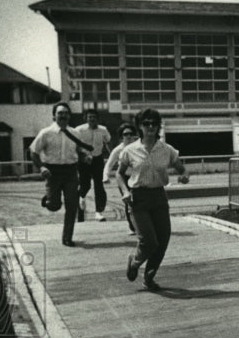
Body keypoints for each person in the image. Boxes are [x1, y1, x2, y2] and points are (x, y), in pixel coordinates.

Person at [116, 108, 187, 291]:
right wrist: (124, 191)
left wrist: (184, 175)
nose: (150, 127)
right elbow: (119, 174)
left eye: (154, 123)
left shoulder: (166, 149)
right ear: (139, 126)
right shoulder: (130, 150)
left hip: (159, 197)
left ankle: (149, 277)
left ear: (159, 126)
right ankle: (134, 262)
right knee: (148, 241)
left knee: (163, 240)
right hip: (138, 198)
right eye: (146, 123)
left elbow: (180, 168)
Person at [29, 101, 94, 247]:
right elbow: (33, 152)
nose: (63, 116)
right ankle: (49, 199)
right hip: (52, 172)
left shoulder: (75, 133)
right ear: (54, 116)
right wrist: (41, 168)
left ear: (69, 116)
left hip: (71, 171)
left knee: (72, 206)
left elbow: (79, 150)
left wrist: (85, 157)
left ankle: (67, 237)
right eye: (60, 113)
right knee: (54, 206)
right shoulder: (46, 133)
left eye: (65, 113)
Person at [74, 108, 112, 222]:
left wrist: (114, 157)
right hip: (84, 160)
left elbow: (108, 143)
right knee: (85, 185)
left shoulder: (103, 130)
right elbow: (75, 146)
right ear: (85, 118)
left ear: (97, 119)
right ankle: (81, 201)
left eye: (94, 117)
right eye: (89, 117)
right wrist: (82, 156)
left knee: (99, 186)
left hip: (97, 159)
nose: (92, 119)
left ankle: (98, 212)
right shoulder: (79, 130)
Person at [103, 122, 138, 235]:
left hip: (137, 177)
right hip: (124, 178)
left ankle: (143, 224)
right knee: (129, 202)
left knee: (140, 201)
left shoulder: (139, 146)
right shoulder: (118, 150)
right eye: (125, 134)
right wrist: (105, 176)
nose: (128, 136)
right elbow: (109, 164)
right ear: (121, 136)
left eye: (130, 134)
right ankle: (132, 227)